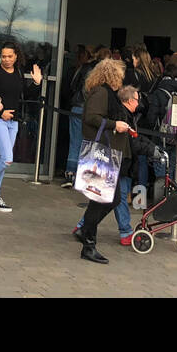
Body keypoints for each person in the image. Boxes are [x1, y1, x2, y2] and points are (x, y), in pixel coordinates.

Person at [76, 59, 140, 263]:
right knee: (106, 198)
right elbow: (91, 117)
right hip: (102, 153)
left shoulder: (104, 93)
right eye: (119, 76)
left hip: (105, 152)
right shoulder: (102, 93)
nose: (121, 80)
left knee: (103, 198)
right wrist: (115, 125)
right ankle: (88, 240)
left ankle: (86, 234)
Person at [0, 42, 42, 212]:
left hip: (13, 121)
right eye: (3, 56)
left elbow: (25, 95)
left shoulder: (19, 72)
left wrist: (36, 83)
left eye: (9, 56)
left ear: (16, 56)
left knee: (2, 159)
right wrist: (1, 113)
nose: (6, 59)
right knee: (7, 158)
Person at [62, 45, 94, 185]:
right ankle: (82, 175)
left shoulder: (81, 69)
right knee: (87, 143)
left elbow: (72, 86)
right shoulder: (95, 71)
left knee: (75, 141)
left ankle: (70, 172)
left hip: (76, 106)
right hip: (87, 109)